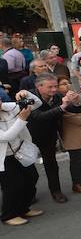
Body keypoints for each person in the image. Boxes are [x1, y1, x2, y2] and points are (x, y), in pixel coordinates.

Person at [27, 73, 81, 203]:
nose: (54, 89)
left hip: (48, 135)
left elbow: (76, 110)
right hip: (28, 135)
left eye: (55, 86)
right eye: (50, 87)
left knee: (51, 164)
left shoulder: (57, 96)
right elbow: (39, 117)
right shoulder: (30, 96)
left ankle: (56, 191)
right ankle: (29, 194)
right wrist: (62, 107)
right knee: (28, 168)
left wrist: (76, 101)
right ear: (38, 87)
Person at [1, 89, 43, 226]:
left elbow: (36, 103)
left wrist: (26, 94)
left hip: (19, 152)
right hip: (3, 158)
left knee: (32, 178)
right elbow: (7, 136)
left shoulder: (8, 109)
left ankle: (23, 208)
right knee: (13, 185)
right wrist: (21, 118)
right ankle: (9, 215)